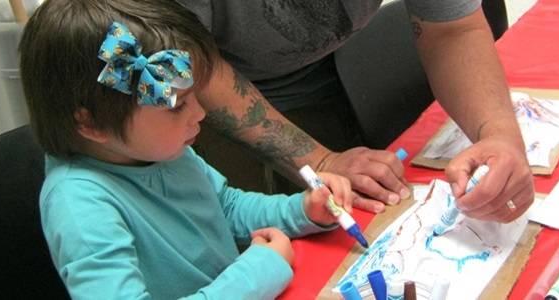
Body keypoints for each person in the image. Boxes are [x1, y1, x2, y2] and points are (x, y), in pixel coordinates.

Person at [20, 0, 354, 298]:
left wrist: (304, 210)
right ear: (91, 124)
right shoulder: (80, 206)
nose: (201, 114)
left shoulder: (159, 151)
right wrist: (256, 275)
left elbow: (226, 208)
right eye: (177, 105)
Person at [178, 0, 535, 223]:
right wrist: (319, 162)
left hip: (328, 68)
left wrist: (499, 134)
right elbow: (192, 61)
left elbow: (453, 30)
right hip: (194, 93)